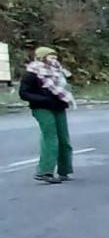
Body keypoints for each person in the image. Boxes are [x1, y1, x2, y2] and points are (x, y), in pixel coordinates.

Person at [19, 46, 74, 184]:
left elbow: (64, 89)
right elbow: (24, 93)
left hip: (59, 107)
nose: (54, 59)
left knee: (64, 139)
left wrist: (64, 99)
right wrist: (43, 99)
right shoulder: (32, 73)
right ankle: (45, 171)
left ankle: (64, 170)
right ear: (41, 58)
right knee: (50, 138)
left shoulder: (59, 73)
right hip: (42, 108)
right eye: (50, 57)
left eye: (55, 57)